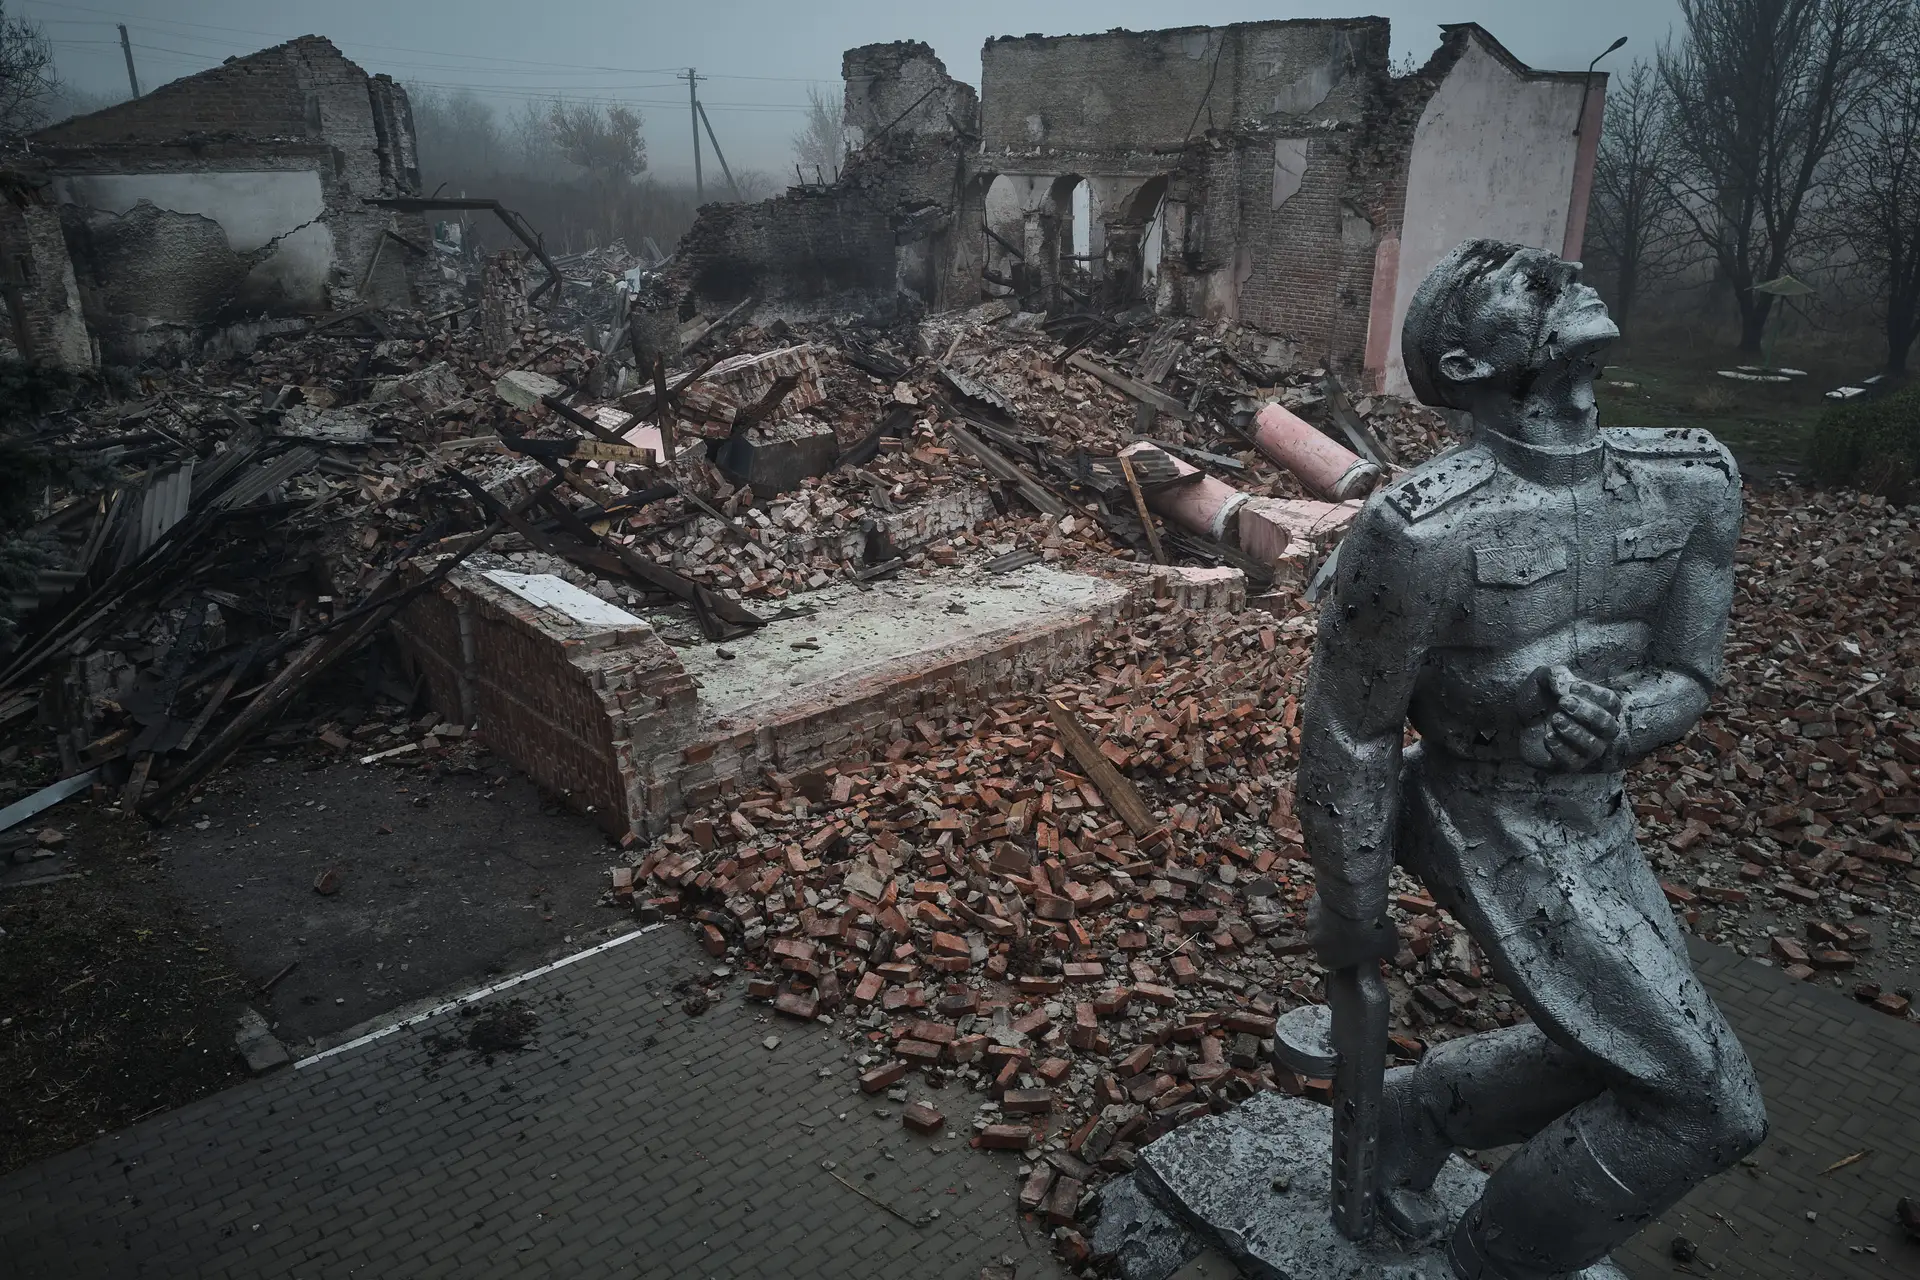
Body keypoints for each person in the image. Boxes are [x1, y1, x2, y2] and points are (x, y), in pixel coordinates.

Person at [1296, 239, 1767, 1278]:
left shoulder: (1692, 482)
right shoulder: (1418, 530)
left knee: (1615, 1042)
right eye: (1513, 278)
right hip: (1481, 814)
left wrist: (1627, 719)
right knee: (1708, 1101)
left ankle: (1423, 1111)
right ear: (1465, 366)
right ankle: (1487, 1263)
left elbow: (1690, 674)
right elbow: (1350, 734)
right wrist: (1353, 912)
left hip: (1598, 815)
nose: (1557, 272)